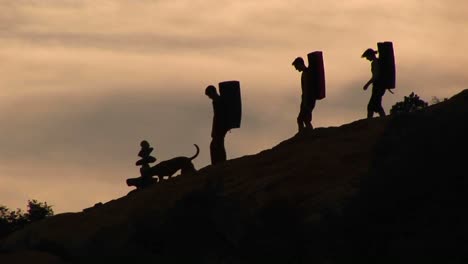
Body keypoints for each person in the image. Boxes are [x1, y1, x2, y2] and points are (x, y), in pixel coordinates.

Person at [205, 85, 229, 165]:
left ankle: (218, 163)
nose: (209, 97)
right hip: (222, 126)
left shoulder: (217, 101)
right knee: (217, 144)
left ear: (212, 92)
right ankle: (219, 162)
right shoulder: (219, 100)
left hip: (220, 126)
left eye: (209, 95)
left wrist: (214, 129)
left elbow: (217, 116)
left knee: (217, 145)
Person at [292, 57, 317, 132]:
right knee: (303, 119)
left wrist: (305, 102)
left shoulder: (306, 73)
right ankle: (304, 134)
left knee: (304, 119)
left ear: (300, 64)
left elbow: (307, 89)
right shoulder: (306, 73)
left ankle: (306, 135)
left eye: (296, 66)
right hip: (308, 99)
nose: (296, 69)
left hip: (308, 100)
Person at [362, 48, 386, 118]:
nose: (366, 58)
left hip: (378, 87)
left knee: (371, 106)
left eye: (367, 56)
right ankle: (382, 119)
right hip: (380, 87)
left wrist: (367, 84)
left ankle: (370, 123)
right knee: (376, 105)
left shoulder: (375, 63)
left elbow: (375, 76)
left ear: (370, 55)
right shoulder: (378, 62)